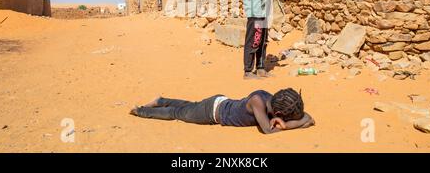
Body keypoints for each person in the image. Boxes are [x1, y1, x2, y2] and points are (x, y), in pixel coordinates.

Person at [129, 88, 315, 134]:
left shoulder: (273, 100)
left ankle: (160, 100)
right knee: (177, 113)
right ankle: (140, 110)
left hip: (220, 103)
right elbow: (268, 130)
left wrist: (289, 122)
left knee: (187, 106)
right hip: (211, 112)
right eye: (285, 117)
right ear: (280, 113)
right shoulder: (258, 101)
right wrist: (289, 126)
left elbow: (308, 118)